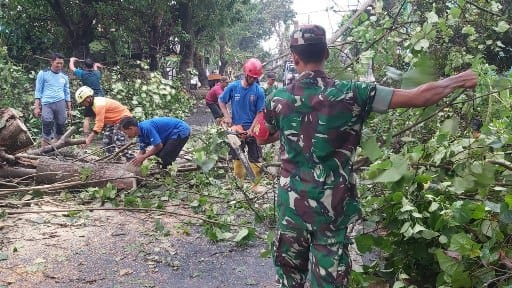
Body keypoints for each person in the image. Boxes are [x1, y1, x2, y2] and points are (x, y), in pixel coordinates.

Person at [256, 24, 478, 288]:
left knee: (289, 280)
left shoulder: (278, 99)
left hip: (291, 208)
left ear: (294, 57)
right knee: (329, 282)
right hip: (332, 209)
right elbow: (419, 97)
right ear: (326, 53)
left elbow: (261, 134)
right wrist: (458, 80)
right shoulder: (355, 93)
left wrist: (280, 128)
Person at [219, 58, 266, 180]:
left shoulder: (259, 91)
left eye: (255, 78)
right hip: (236, 127)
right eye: (250, 76)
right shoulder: (233, 87)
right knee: (236, 154)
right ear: (245, 73)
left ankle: (256, 183)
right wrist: (227, 115)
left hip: (253, 128)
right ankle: (239, 182)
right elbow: (221, 101)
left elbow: (259, 112)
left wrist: (251, 129)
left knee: (255, 156)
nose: (252, 79)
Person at [74, 86, 132, 156]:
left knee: (119, 140)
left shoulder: (99, 104)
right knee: (107, 141)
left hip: (123, 118)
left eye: (83, 101)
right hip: (113, 121)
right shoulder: (92, 105)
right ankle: (113, 159)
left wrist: (88, 139)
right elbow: (89, 120)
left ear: (88, 98)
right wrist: (86, 136)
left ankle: (131, 159)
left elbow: (99, 124)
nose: (82, 104)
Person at [118, 116, 190, 169]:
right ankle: (165, 169)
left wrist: (143, 157)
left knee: (164, 155)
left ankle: (168, 173)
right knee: (157, 154)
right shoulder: (140, 133)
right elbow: (142, 150)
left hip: (181, 130)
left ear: (131, 128)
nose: (126, 135)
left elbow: (158, 146)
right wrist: (138, 160)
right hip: (170, 134)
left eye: (125, 132)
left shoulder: (146, 128)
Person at [33, 52, 72, 147]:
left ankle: (55, 149)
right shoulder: (43, 73)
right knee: (47, 123)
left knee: (61, 124)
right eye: (57, 63)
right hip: (47, 103)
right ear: (51, 62)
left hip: (60, 103)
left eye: (61, 63)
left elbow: (67, 93)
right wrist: (37, 107)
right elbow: (38, 91)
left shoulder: (64, 76)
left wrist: (69, 109)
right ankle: (44, 150)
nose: (59, 65)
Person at [69, 56, 104, 136]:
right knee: (100, 116)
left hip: (89, 98)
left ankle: (86, 135)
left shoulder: (82, 74)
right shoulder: (97, 73)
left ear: (84, 66)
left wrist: (72, 60)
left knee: (87, 118)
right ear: (93, 66)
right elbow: (95, 68)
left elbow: (72, 68)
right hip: (100, 97)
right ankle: (102, 133)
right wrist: (96, 65)